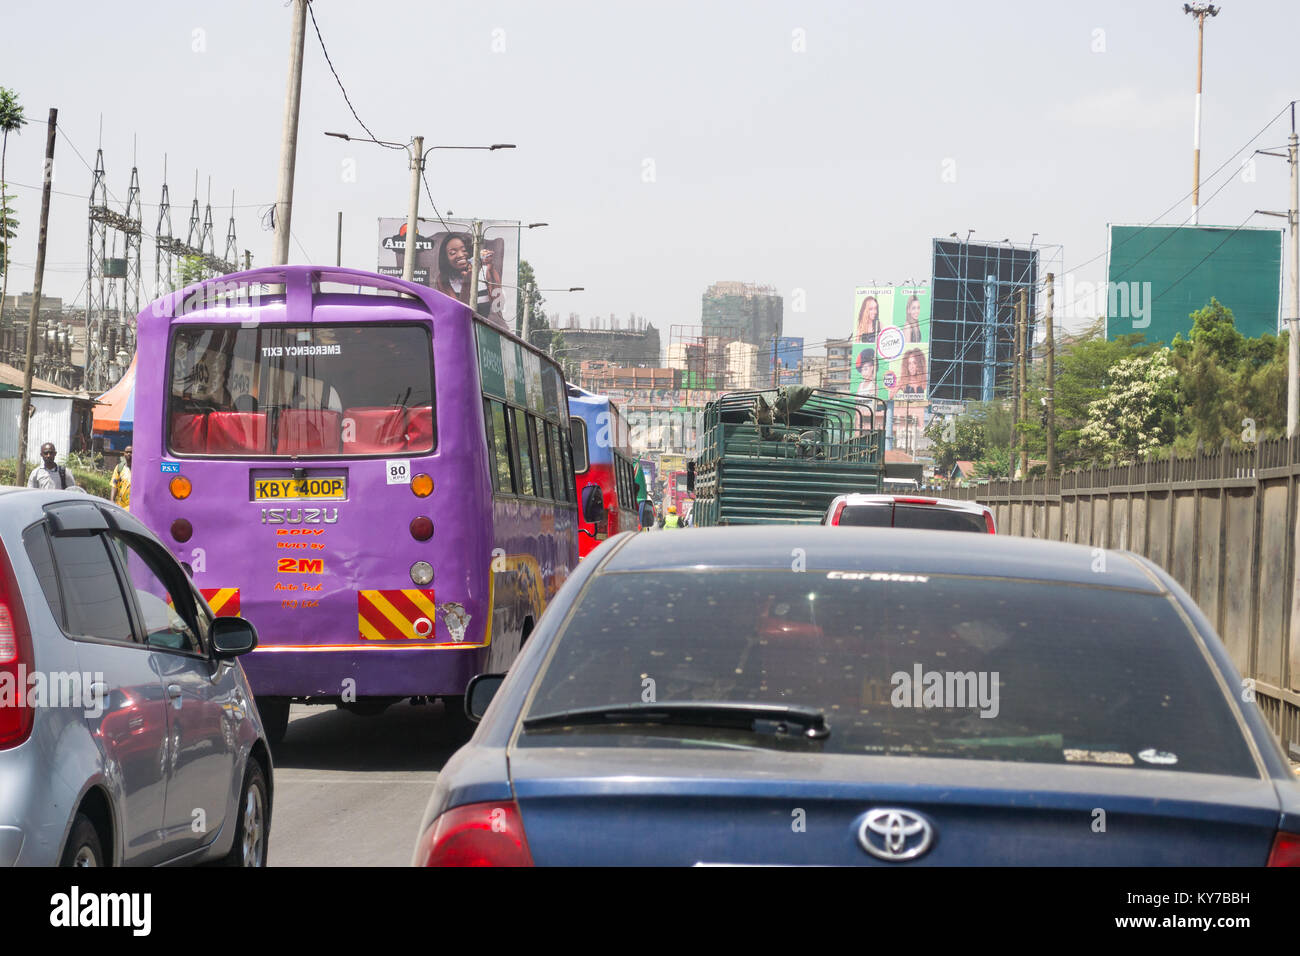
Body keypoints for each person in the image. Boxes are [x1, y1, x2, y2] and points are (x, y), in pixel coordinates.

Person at [111, 445, 132, 510]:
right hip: (120, 507)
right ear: (124, 454)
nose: (129, 454)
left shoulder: (139, 469)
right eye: (127, 452)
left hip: (132, 507)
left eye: (131, 452)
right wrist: (112, 501)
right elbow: (114, 485)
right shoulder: (119, 468)